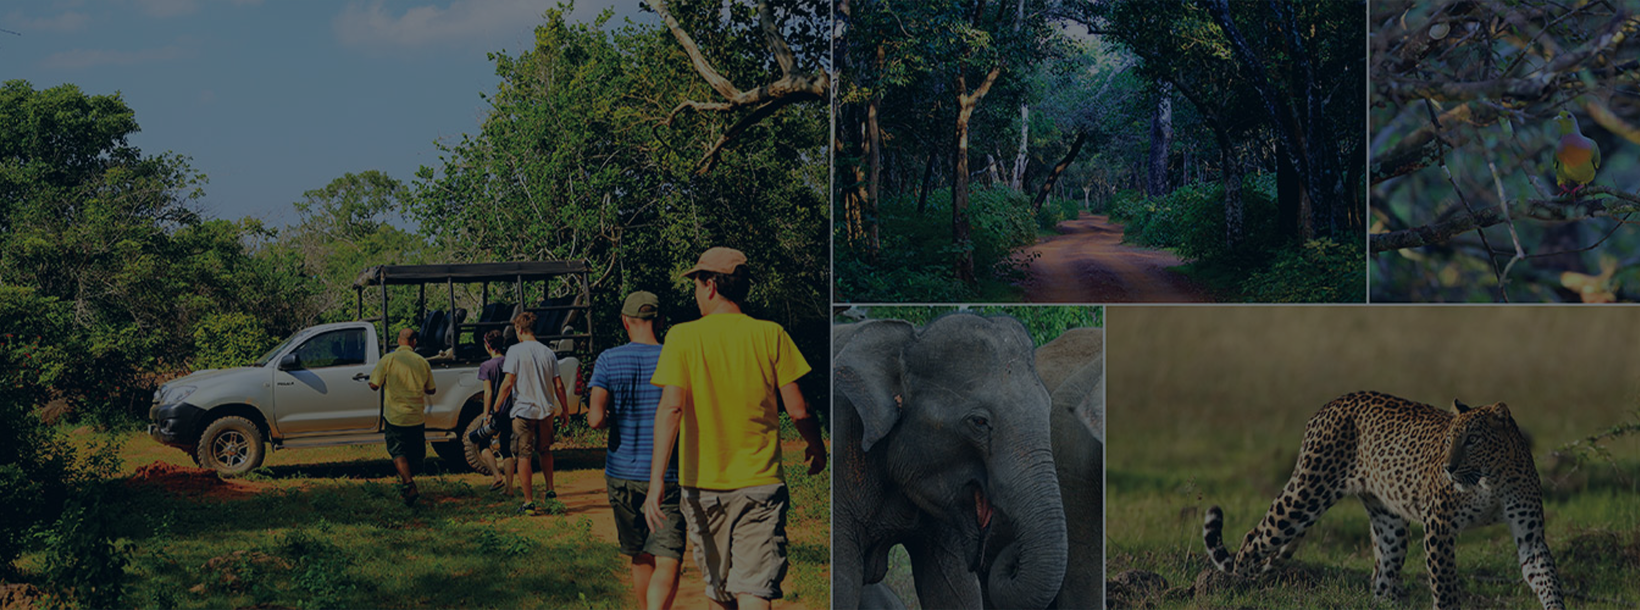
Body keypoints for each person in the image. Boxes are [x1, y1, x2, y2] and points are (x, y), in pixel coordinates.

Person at [644, 247, 827, 610]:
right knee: (754, 589)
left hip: (701, 487)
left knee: (720, 591)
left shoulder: (682, 337)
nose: (696, 293)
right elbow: (798, 410)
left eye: (697, 284)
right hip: (760, 483)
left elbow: (671, 408)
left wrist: (656, 482)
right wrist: (817, 446)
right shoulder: (771, 334)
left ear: (711, 286)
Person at [589, 291, 685, 610]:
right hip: (668, 473)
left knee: (640, 554)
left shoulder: (608, 359)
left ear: (625, 321)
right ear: (660, 321)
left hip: (622, 473)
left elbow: (595, 419)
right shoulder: (675, 357)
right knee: (669, 556)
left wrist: (612, 418)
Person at [493, 311, 570, 515]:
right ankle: (550, 490)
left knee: (524, 455)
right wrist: (565, 410)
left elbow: (508, 382)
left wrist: (496, 406)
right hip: (546, 410)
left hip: (524, 411)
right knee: (545, 450)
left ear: (519, 329)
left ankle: (529, 502)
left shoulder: (515, 351)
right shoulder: (548, 353)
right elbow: (558, 385)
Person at [368, 327, 437, 507]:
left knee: (398, 451)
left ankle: (408, 483)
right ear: (414, 342)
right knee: (415, 454)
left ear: (399, 341)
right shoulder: (422, 362)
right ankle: (408, 483)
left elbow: (374, 385)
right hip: (416, 416)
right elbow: (431, 389)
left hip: (395, 416)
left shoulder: (388, 359)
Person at [477, 329, 515, 493]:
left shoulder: (486, 366)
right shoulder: (509, 362)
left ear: (487, 346)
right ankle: (509, 487)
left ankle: (496, 475)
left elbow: (488, 392)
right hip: (510, 410)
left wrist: (486, 415)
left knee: (483, 445)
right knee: (506, 449)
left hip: (495, 411)